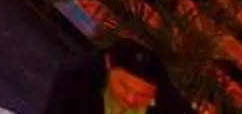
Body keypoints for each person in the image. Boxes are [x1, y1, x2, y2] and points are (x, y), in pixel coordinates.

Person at [41, 36, 192, 114]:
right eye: (124, 86)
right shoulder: (77, 76)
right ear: (108, 63)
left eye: (143, 94)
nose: (131, 99)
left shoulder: (172, 107)